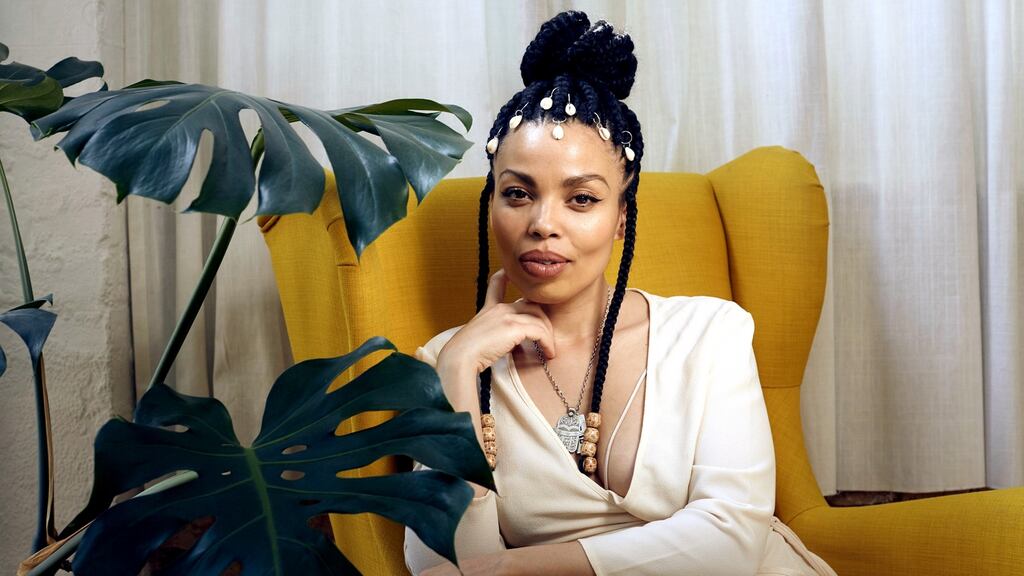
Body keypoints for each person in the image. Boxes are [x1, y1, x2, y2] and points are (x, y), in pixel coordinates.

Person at [403, 10, 838, 576]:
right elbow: (438, 563)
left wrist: (511, 569)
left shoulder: (709, 333)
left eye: (581, 199)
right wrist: (459, 375)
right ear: (492, 209)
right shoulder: (448, 363)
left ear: (621, 219)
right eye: (517, 193)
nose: (542, 223)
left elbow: (732, 537)